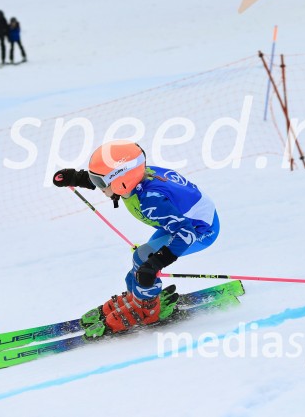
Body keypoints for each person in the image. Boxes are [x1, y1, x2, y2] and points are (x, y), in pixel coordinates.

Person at [52, 140, 220, 337]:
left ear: (121, 181)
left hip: (198, 230)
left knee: (144, 260)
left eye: (100, 183)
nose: (99, 188)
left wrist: (158, 262)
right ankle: (139, 298)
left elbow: (186, 233)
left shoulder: (151, 200)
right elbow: (112, 178)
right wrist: (78, 178)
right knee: (141, 262)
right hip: (179, 222)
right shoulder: (134, 178)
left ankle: (148, 310)